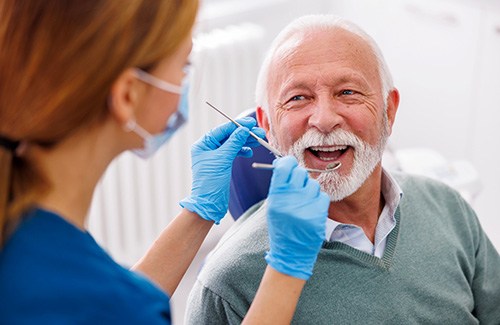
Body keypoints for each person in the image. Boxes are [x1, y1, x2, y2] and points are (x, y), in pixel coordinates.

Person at [0, 1, 331, 323]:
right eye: (184, 67)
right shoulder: (106, 300)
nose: (324, 119)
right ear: (128, 94)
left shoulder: (31, 235)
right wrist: (287, 267)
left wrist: (199, 212)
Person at [185, 14, 500, 324]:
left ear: (389, 111)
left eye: (347, 92)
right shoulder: (227, 287)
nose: (323, 120)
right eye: (298, 98)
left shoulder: (449, 208)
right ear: (267, 126)